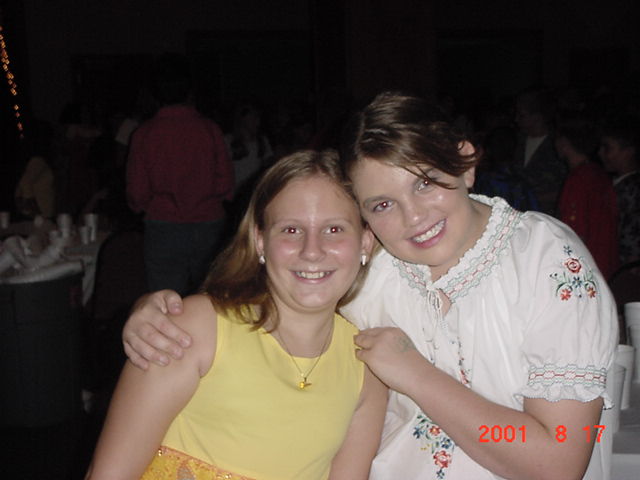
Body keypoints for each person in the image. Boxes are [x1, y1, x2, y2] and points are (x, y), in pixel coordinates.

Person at [124, 92, 617, 479]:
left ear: (466, 162)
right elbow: (272, 289)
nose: (413, 217)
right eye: (382, 204)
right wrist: (156, 310)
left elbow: (557, 460)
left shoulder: (545, 263)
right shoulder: (373, 264)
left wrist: (416, 375)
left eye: (424, 182)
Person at [86, 150, 386, 479]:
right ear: (260, 241)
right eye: (291, 230)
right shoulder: (191, 331)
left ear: (365, 243)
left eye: (334, 229)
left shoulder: (367, 371)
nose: (311, 250)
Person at [126, 53, 234, 296]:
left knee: (166, 299)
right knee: (210, 296)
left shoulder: (145, 133)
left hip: (164, 222)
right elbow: (226, 183)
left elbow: (137, 191)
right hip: (208, 221)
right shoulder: (209, 129)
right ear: (189, 91)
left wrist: (145, 206)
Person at [555, 116, 619, 279]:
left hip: (589, 268)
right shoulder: (600, 174)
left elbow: (574, 233)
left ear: (564, 143)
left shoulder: (579, 179)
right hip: (607, 264)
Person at [514, 86, 568, 215]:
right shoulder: (516, 142)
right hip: (519, 216)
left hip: (547, 216)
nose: (516, 119)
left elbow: (566, 188)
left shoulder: (558, 145)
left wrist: (531, 198)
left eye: (522, 115)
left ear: (537, 116)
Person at [599, 115, 640, 267]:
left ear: (628, 151)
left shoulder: (631, 189)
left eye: (607, 148)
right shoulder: (613, 183)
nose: (600, 153)